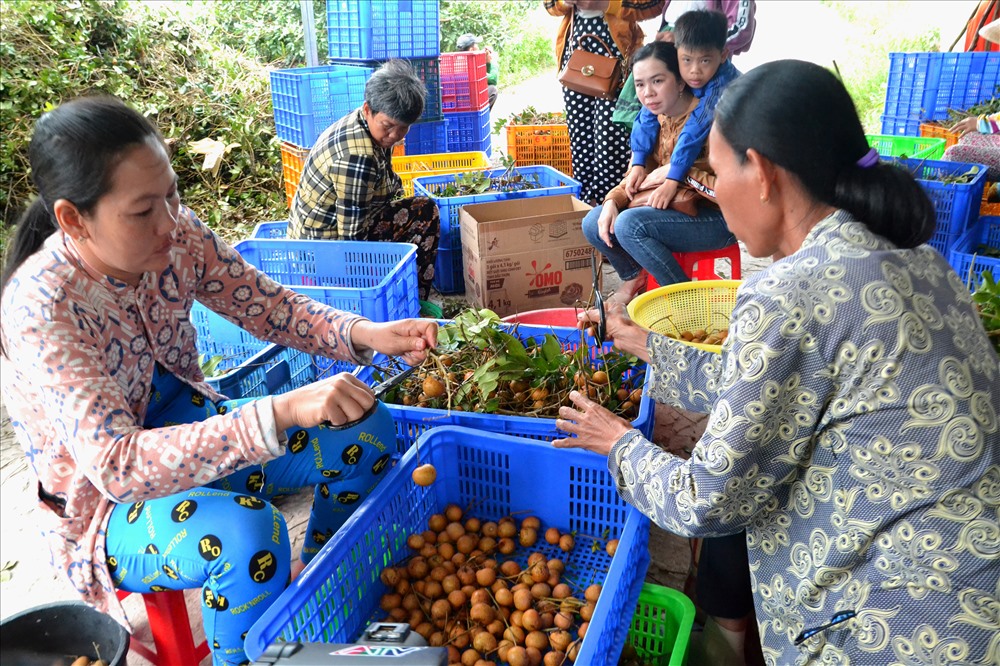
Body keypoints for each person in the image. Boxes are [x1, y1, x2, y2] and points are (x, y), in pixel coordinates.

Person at [555, 60, 999, 664]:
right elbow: (779, 385)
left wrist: (616, 443)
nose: (711, 190)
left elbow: (708, 500)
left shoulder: (789, 290)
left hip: (900, 625)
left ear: (760, 172)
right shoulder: (919, 261)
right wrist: (641, 342)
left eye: (715, 171)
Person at [0, 95, 438, 666]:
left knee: (365, 427)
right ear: (73, 219)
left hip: (197, 431)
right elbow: (119, 465)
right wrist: (279, 412)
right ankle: (259, 657)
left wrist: (364, 332)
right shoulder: (44, 308)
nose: (169, 223)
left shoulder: (176, 235)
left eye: (172, 194)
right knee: (246, 534)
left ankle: (326, 597)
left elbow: (269, 305)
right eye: (143, 211)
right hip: (104, 508)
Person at [582, 41, 735, 304]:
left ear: (680, 82)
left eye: (658, 81)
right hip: (672, 214)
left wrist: (680, 174)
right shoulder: (653, 119)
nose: (647, 93)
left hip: (720, 220)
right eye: (640, 84)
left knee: (630, 225)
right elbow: (638, 175)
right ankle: (635, 277)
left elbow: (732, 192)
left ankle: (686, 301)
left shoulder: (710, 122)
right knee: (593, 221)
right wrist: (611, 201)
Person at [287, 59, 441, 301]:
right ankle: (414, 301)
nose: (395, 136)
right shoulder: (357, 157)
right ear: (368, 109)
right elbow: (353, 240)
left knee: (421, 206)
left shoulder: (366, 125)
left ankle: (412, 294)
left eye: (403, 128)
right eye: (388, 126)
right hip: (322, 254)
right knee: (425, 213)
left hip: (328, 237)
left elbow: (386, 183)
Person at [545, 0, 662, 205]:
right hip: (575, 54)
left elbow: (653, 5)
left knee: (610, 140)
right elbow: (550, 5)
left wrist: (606, 4)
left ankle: (609, 205)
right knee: (580, 140)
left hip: (617, 57)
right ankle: (584, 205)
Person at [624, 9, 740, 210]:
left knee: (631, 224)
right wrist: (638, 161)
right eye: (686, 60)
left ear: (722, 55)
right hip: (690, 188)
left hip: (725, 197)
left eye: (704, 60)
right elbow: (646, 114)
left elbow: (695, 129)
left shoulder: (720, 88)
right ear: (676, 50)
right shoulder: (670, 91)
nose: (694, 70)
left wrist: (673, 178)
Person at [612, 0, 756, 131]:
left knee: (699, 120)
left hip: (699, 56)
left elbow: (741, 29)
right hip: (671, 53)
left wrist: (686, 42)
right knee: (654, 110)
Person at [456, 33, 499, 110]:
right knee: (493, 89)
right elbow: (493, 79)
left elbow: (485, 79)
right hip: (470, 103)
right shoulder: (471, 66)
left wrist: (486, 62)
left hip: (463, 102)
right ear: (471, 50)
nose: (479, 48)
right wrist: (492, 62)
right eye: (476, 45)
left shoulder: (459, 60)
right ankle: (481, 119)